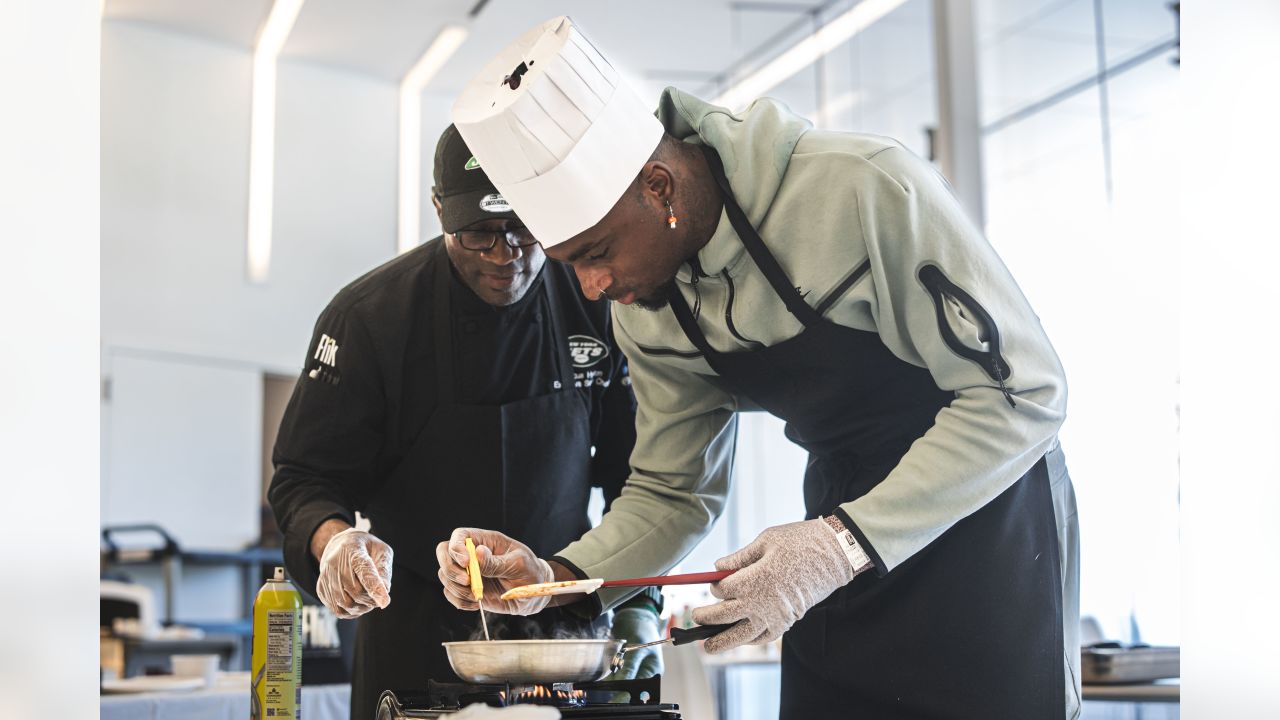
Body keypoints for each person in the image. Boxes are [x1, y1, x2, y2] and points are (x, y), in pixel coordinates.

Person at [437, 16, 1081, 720]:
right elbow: (674, 491)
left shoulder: (863, 189)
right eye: (571, 265)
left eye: (596, 251)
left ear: (659, 187)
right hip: (827, 536)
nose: (591, 288)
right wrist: (555, 578)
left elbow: (1024, 392)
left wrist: (841, 547)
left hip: (985, 532)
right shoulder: (646, 306)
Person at [269, 125, 663, 720]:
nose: (506, 255)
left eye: (524, 229)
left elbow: (640, 479)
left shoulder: (596, 299)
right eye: (480, 234)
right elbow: (304, 480)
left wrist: (636, 600)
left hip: (561, 632)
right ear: (439, 210)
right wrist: (335, 544)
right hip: (413, 640)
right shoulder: (370, 319)